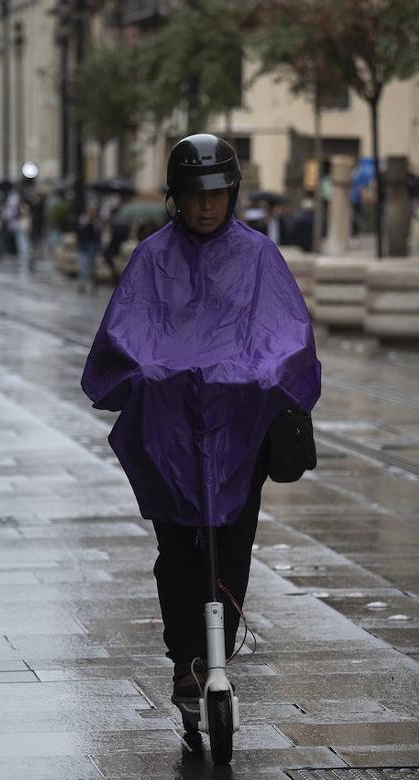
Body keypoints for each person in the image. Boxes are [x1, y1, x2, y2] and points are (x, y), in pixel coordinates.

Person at [81, 134, 321, 707]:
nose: (207, 206)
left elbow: (288, 335)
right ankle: (186, 657)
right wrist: (151, 373)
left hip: (239, 433)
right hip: (170, 434)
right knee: (178, 551)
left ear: (232, 194)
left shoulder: (260, 256)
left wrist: (263, 375)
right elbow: (124, 336)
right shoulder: (151, 258)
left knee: (232, 543)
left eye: (217, 194)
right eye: (195, 195)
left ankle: (216, 648)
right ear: (176, 198)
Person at [75, 201, 101, 288]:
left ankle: (92, 283)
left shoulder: (97, 221)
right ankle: (81, 283)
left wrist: (98, 246)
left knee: (92, 266)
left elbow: (98, 235)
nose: (92, 212)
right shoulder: (83, 220)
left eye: (93, 210)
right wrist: (86, 224)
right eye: (90, 210)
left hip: (92, 246)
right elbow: (79, 232)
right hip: (84, 245)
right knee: (83, 265)